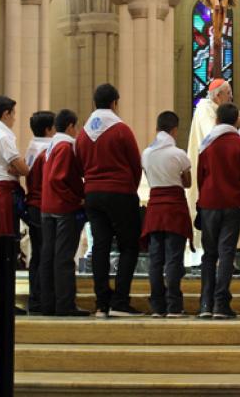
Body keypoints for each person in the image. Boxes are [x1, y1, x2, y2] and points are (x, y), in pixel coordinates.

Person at [75, 83, 143, 318]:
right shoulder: (121, 130)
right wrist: (130, 189)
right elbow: (135, 164)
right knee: (129, 246)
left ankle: (102, 303)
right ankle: (120, 301)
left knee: (100, 247)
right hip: (120, 192)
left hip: (92, 194)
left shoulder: (83, 134)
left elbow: (79, 163)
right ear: (115, 103)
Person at [197, 102, 240, 319]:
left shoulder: (207, 144)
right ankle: (221, 304)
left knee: (209, 255)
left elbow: (201, 176)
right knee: (226, 253)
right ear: (237, 120)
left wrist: (204, 198)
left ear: (217, 119)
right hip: (231, 204)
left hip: (209, 203)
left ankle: (205, 304)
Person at [141, 111, 192, 318]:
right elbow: (187, 182)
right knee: (173, 258)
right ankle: (174, 306)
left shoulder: (146, 153)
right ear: (174, 130)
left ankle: (157, 306)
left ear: (157, 129)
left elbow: (148, 176)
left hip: (155, 207)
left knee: (155, 259)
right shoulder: (178, 154)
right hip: (174, 208)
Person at [41, 109, 88, 317]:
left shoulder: (51, 145)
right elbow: (57, 179)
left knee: (49, 256)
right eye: (75, 126)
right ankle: (65, 304)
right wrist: (76, 199)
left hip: (48, 207)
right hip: (62, 208)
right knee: (64, 258)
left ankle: (48, 303)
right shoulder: (65, 146)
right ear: (70, 126)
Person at [186, 78, 234, 258]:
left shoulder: (216, 110)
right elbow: (211, 135)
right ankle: (204, 255)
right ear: (218, 95)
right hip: (208, 172)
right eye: (228, 93)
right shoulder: (205, 108)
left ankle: (222, 257)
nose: (231, 96)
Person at [0, 96, 30, 237]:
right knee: (6, 243)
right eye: (13, 113)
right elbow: (24, 169)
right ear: (6, 114)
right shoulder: (3, 136)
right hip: (4, 194)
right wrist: (17, 169)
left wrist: (14, 168)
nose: (14, 118)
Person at [24, 110, 56, 314]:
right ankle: (41, 300)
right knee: (46, 255)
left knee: (37, 255)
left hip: (33, 205)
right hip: (42, 205)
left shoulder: (31, 147)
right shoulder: (46, 150)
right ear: (48, 129)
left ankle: (36, 299)